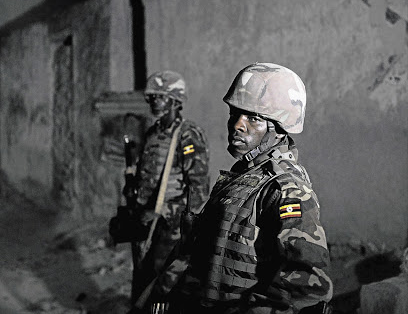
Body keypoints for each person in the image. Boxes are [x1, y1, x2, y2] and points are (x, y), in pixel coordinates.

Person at [138, 63, 333, 314]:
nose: (238, 125)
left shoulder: (286, 189)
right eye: (235, 113)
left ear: (280, 128)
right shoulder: (239, 179)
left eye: (254, 118)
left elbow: (306, 286)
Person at [125, 70, 210, 305]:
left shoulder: (187, 135)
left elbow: (199, 191)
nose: (152, 102)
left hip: (172, 227)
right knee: (142, 280)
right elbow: (147, 176)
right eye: (151, 97)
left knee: (162, 286)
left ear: (174, 100)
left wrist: (163, 211)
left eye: (158, 97)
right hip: (147, 223)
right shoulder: (153, 134)